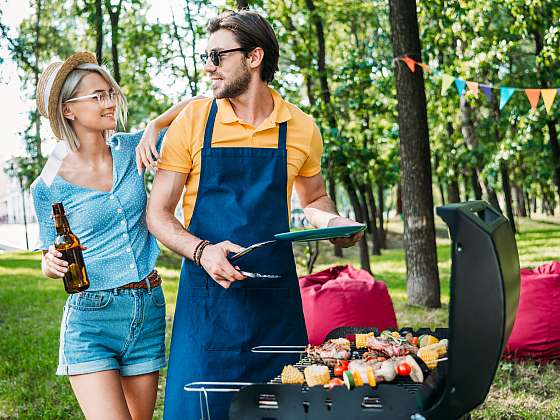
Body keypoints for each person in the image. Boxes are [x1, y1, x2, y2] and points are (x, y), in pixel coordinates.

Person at [146, 10, 363, 419]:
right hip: (207, 305)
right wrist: (203, 251)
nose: (208, 67)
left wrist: (335, 225)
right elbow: (157, 214)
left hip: (274, 308)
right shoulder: (193, 121)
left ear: (254, 57)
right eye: (205, 57)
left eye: (217, 56)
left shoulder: (300, 127)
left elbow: (314, 198)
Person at [31, 51, 198, 420]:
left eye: (110, 93)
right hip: (92, 317)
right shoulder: (47, 187)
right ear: (69, 111)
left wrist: (155, 124)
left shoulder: (132, 149)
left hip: (147, 306)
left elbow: (199, 104)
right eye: (97, 96)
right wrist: (50, 263)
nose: (109, 102)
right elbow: (49, 255)